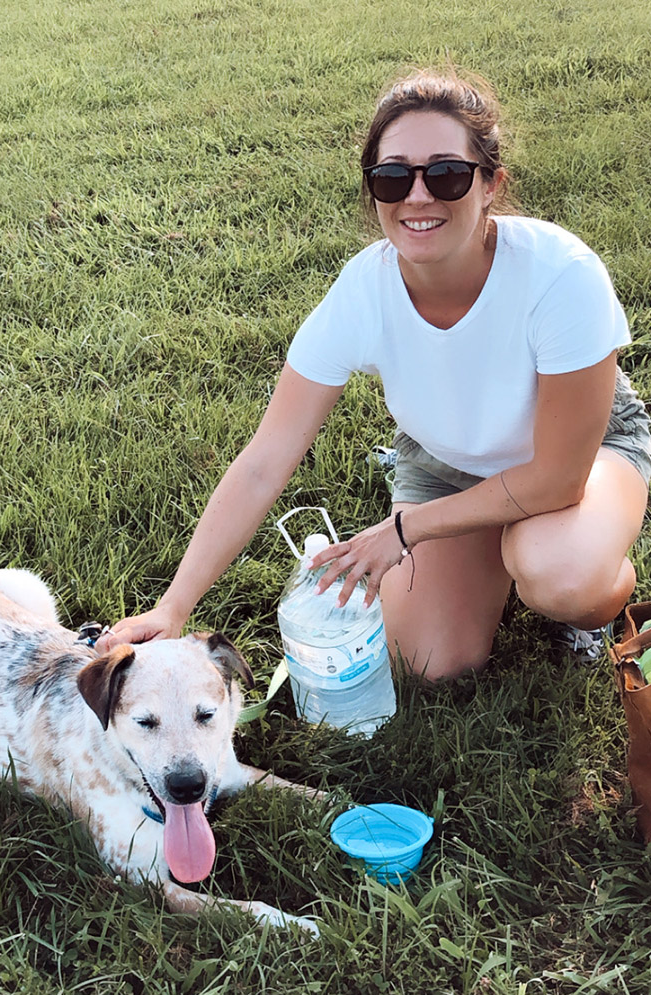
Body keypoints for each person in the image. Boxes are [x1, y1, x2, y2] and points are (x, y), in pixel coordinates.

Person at [97, 68, 651, 682]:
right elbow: (265, 459)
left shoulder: (559, 274)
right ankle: (494, 546)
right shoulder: (363, 292)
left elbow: (556, 479)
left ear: (491, 183)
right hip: (447, 461)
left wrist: (404, 530)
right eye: (393, 178)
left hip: (585, 457)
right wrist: (173, 607)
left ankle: (585, 598)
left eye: (446, 173)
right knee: (426, 662)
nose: (417, 197)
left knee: (560, 571)